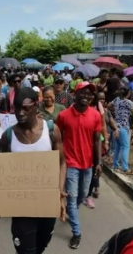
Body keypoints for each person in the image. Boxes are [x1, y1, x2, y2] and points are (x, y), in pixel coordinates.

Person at [0, 87, 67, 254]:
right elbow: (1, 174)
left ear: (36, 106)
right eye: (17, 108)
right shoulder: (8, 137)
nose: (20, 113)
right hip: (21, 209)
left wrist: (60, 193)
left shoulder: (51, 131)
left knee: (40, 247)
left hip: (46, 206)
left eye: (26, 108)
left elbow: (61, 163)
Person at [56, 82, 102, 249]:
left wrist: (98, 163)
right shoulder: (64, 115)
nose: (86, 96)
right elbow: (58, 137)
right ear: (75, 94)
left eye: (89, 93)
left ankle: (70, 210)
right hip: (70, 163)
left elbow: (97, 140)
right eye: (83, 92)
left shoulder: (96, 115)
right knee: (73, 195)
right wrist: (59, 159)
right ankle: (76, 232)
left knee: (83, 195)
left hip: (88, 163)